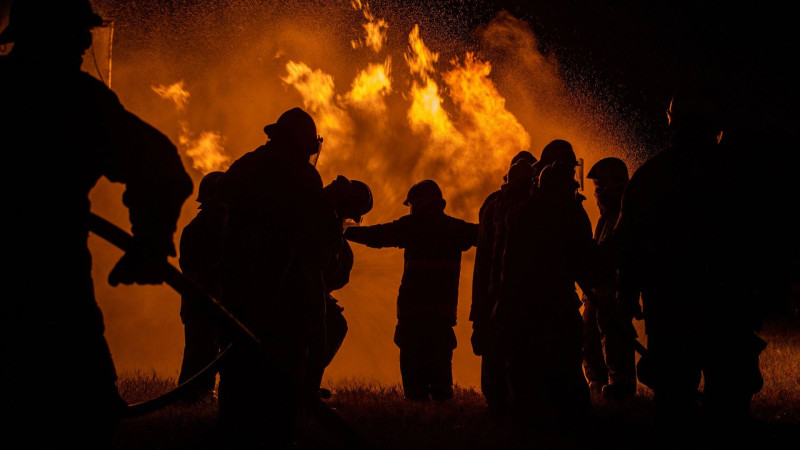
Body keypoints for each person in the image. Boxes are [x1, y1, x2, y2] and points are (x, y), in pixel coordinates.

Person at [0, 1, 193, 446]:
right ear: (52, 37)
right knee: (80, 408)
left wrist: (149, 241)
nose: (85, 42)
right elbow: (161, 168)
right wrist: (150, 241)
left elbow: (159, 170)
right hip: (52, 290)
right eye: (75, 33)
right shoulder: (77, 100)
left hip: (54, 282)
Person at [616, 87, 766, 444]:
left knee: (673, 408)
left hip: (671, 313)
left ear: (673, 124)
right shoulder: (739, 176)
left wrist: (625, 300)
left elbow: (629, 246)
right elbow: (762, 244)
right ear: (717, 127)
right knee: (728, 409)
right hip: (728, 313)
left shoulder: (652, 176)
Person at [216, 107, 341, 448]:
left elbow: (219, 214)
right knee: (282, 371)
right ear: (304, 144)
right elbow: (326, 233)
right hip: (285, 294)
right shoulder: (302, 176)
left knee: (238, 364)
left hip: (238, 289)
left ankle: (232, 432)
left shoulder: (244, 167)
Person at [496, 145, 601, 429]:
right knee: (567, 375)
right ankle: (573, 428)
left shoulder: (520, 215)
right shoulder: (572, 216)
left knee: (526, 378)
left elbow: (509, 269)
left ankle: (530, 429)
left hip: (526, 311)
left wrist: (502, 310)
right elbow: (587, 265)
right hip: (560, 310)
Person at [346, 180, 478, 401]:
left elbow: (377, 236)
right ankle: (442, 426)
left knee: (415, 388)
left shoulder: (412, 226)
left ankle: (417, 423)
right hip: (441, 320)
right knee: (441, 386)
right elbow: (484, 234)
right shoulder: (456, 229)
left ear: (418, 203)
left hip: (412, 318)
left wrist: (345, 230)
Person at [470, 151, 536, 416]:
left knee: (498, 358)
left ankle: (502, 412)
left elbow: (483, 262)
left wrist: (479, 312)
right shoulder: (536, 204)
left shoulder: (494, 205)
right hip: (521, 297)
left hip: (495, 295)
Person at [309, 175, 374, 395]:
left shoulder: (324, 207)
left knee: (330, 326)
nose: (347, 219)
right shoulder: (321, 212)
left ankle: (305, 383)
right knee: (325, 329)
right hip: (297, 287)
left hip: (306, 285)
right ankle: (304, 385)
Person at [581, 157, 638, 401]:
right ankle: (599, 381)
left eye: (600, 185)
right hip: (597, 290)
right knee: (590, 333)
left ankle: (621, 383)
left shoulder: (625, 214)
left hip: (613, 290)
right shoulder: (607, 216)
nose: (597, 192)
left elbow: (615, 251)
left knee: (614, 333)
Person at [177, 171, 227, 402]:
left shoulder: (199, 229)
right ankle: (191, 397)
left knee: (205, 352)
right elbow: (196, 271)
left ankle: (198, 396)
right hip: (204, 305)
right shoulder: (203, 231)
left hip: (207, 304)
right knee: (200, 353)